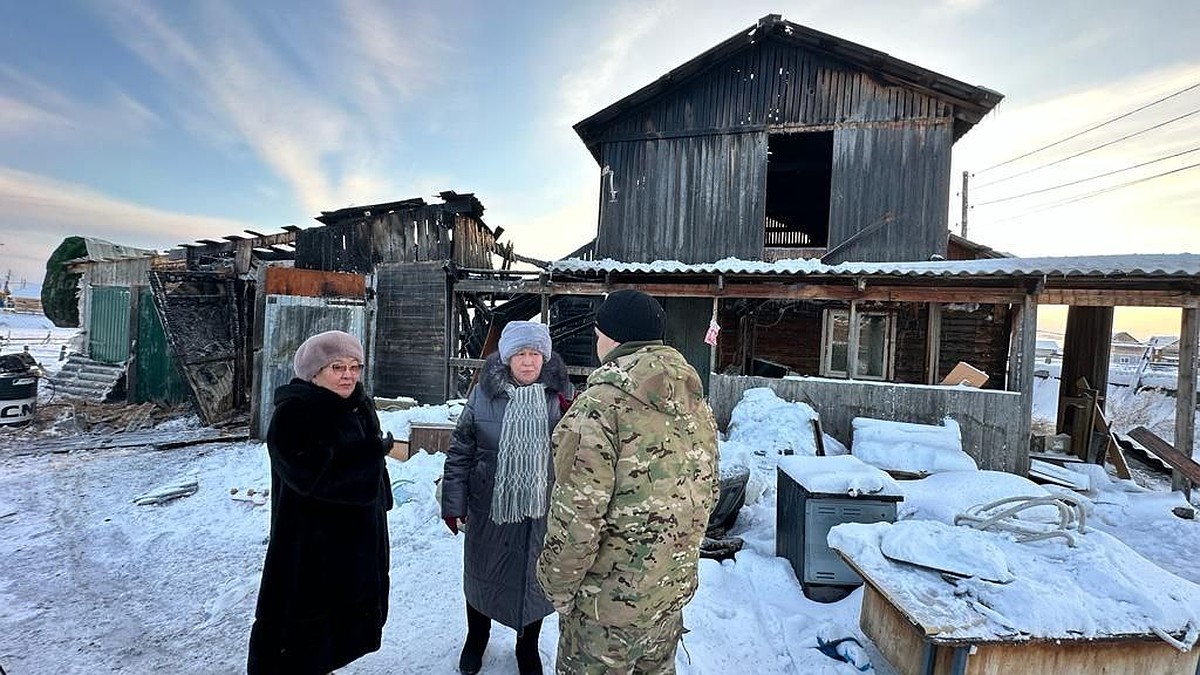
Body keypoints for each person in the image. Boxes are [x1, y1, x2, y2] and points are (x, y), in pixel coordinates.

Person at [537, 289, 720, 674]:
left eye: (598, 333)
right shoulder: (696, 405)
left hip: (605, 613)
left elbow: (578, 517)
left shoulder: (600, 407)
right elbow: (708, 491)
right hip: (666, 598)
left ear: (613, 338)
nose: (597, 341)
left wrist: (556, 585)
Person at [248, 330, 405, 675]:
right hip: (312, 547)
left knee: (338, 632)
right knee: (303, 632)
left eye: (354, 366)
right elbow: (312, 477)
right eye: (337, 367)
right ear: (314, 373)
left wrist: (379, 490)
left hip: (354, 543)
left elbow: (367, 465)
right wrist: (371, 453)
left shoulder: (357, 404)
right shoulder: (295, 414)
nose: (349, 375)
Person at [441, 321, 573, 675]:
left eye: (534, 354)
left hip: (539, 511)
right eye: (519, 354)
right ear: (506, 357)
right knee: (484, 575)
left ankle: (527, 645)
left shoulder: (559, 398)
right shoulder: (483, 395)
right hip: (489, 508)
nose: (528, 362)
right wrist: (454, 503)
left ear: (544, 358)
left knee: (534, 580)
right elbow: (460, 451)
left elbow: (574, 454)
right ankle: (476, 637)